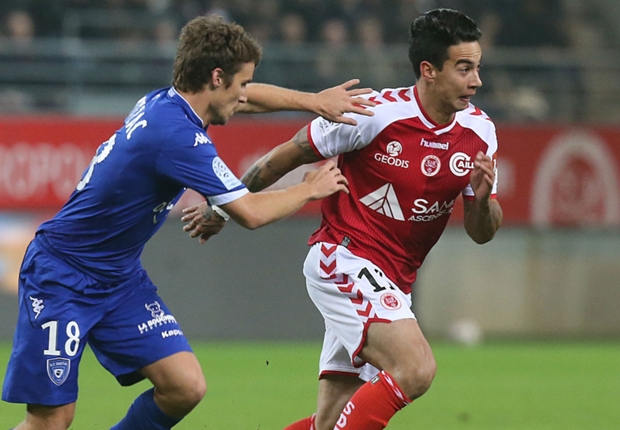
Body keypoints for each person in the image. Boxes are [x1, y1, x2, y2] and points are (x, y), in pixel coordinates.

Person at [1, 14, 377, 430]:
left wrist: (313, 102)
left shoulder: (168, 103)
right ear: (216, 78)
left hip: (117, 279)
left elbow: (248, 100)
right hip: (62, 276)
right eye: (242, 82)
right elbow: (251, 213)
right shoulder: (177, 137)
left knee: (184, 387)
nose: (245, 95)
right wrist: (308, 189)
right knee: (51, 421)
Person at [182, 9, 503, 430]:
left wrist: (483, 200)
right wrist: (222, 207)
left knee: (330, 421)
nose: (476, 81)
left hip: (394, 282)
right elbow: (288, 154)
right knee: (416, 367)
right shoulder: (374, 114)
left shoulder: (480, 132)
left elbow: (482, 232)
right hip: (344, 258)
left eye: (477, 68)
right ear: (429, 70)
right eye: (463, 69)